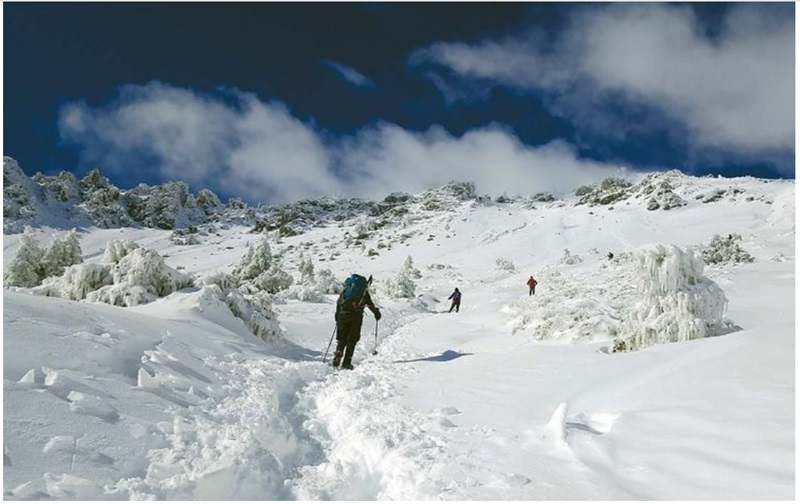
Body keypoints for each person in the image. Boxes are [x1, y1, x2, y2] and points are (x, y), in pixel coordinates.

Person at [333, 275, 381, 370]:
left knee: (342, 338)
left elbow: (339, 303)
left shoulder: (345, 291)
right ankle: (346, 363)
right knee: (352, 340)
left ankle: (339, 351)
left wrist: (337, 316)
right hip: (356, 317)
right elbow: (370, 305)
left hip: (343, 316)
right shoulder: (364, 293)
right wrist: (376, 313)